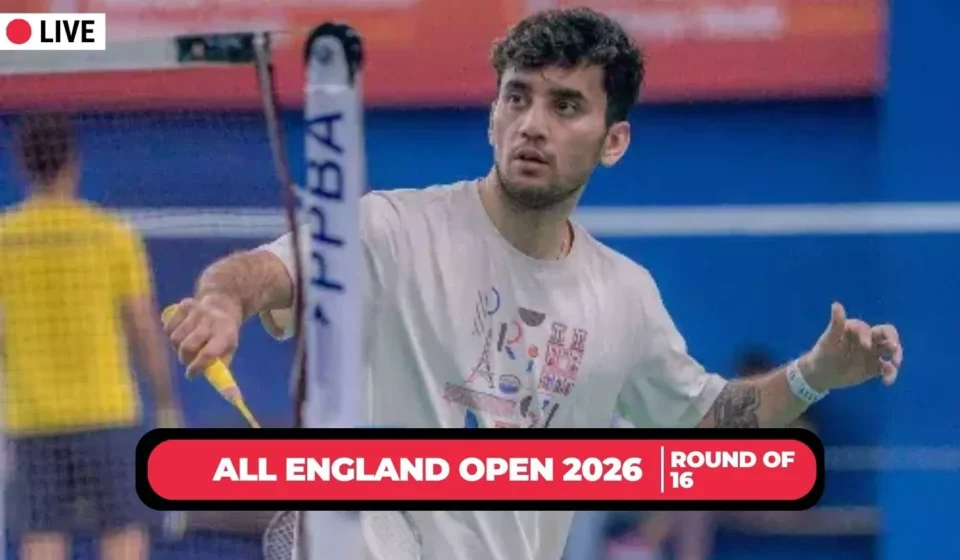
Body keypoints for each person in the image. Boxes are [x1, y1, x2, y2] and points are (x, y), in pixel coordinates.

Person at [163, 7, 903, 560]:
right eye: (517, 98)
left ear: (614, 141)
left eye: (566, 105)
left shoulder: (624, 296)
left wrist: (815, 374)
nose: (532, 124)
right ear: (492, 116)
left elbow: (708, 421)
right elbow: (272, 268)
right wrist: (224, 301)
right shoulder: (390, 228)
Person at [0, 113, 182, 560]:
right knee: (123, 534)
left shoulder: (4, 241)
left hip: (32, 418)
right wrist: (166, 402)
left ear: (21, 164)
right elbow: (143, 327)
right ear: (73, 162)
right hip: (108, 411)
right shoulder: (110, 236)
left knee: (42, 538)